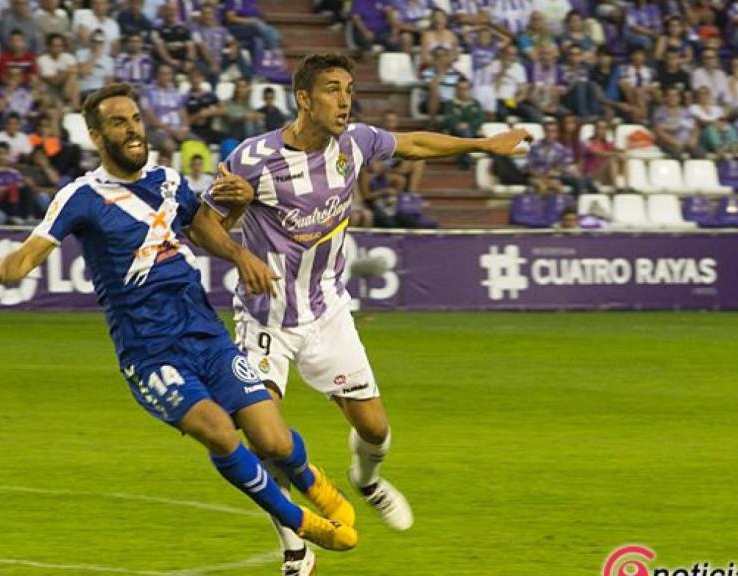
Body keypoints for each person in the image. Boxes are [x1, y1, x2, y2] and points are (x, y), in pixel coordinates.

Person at [0, 83, 358, 557]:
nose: (132, 130)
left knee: (271, 436)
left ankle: (312, 480)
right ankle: (304, 526)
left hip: (205, 333)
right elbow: (28, 256)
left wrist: (238, 249)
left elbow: (201, 228)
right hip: (151, 352)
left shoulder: (168, 182)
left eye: (135, 120)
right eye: (118, 123)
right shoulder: (81, 197)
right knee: (216, 429)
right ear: (95, 135)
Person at [206, 53, 531, 576]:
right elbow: (203, 225)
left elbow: (415, 143)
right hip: (265, 318)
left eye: (350, 89)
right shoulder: (253, 158)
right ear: (304, 98)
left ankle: (367, 479)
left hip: (328, 312)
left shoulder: (354, 143)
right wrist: (241, 247)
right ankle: (295, 547)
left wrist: (481, 146)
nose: (345, 99)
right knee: (266, 436)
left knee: (375, 429)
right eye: (333, 89)